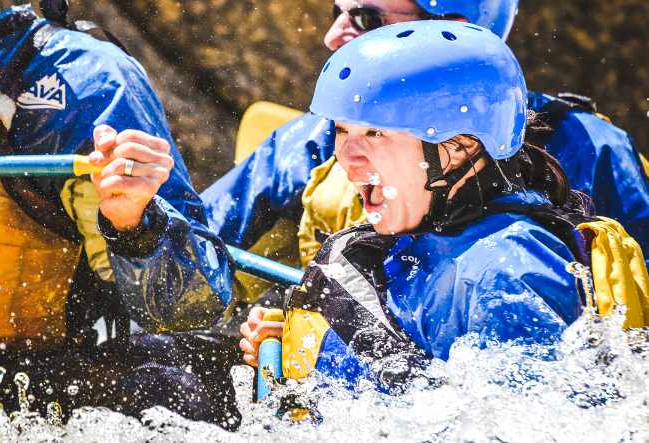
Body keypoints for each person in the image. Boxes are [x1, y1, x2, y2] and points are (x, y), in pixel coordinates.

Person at [0, 0, 238, 439]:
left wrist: (134, 226)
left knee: (170, 385)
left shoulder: (81, 83)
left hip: (36, 392)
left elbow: (192, 307)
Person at [239, 21, 649, 391]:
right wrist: (306, 350)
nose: (346, 157)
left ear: (457, 148)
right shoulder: (416, 244)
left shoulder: (507, 271)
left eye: (376, 132)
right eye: (343, 130)